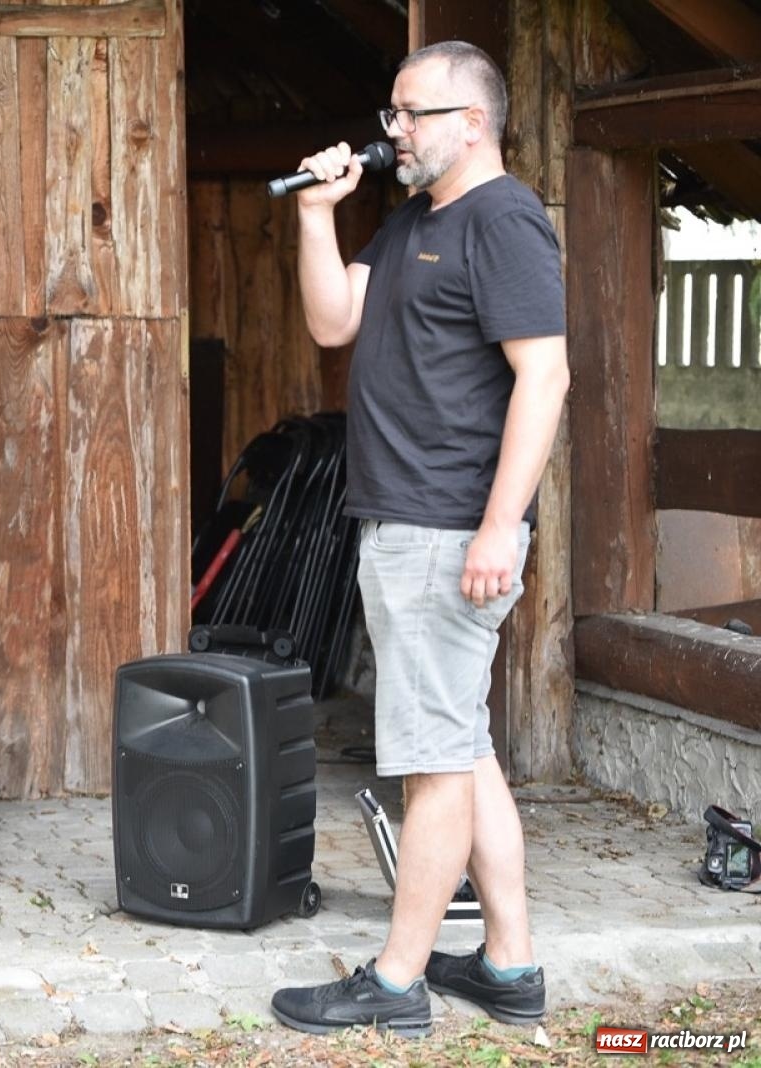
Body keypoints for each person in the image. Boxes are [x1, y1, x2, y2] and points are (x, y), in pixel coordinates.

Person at [270, 42, 570, 1035]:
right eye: (389, 111)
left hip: (449, 531)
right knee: (459, 744)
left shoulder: (505, 220)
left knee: (433, 763)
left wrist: (495, 528)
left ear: (470, 123)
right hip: (403, 521)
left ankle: (395, 985)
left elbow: (545, 378)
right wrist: (317, 212)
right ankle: (509, 966)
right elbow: (331, 322)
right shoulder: (412, 221)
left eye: (410, 112)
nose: (391, 127)